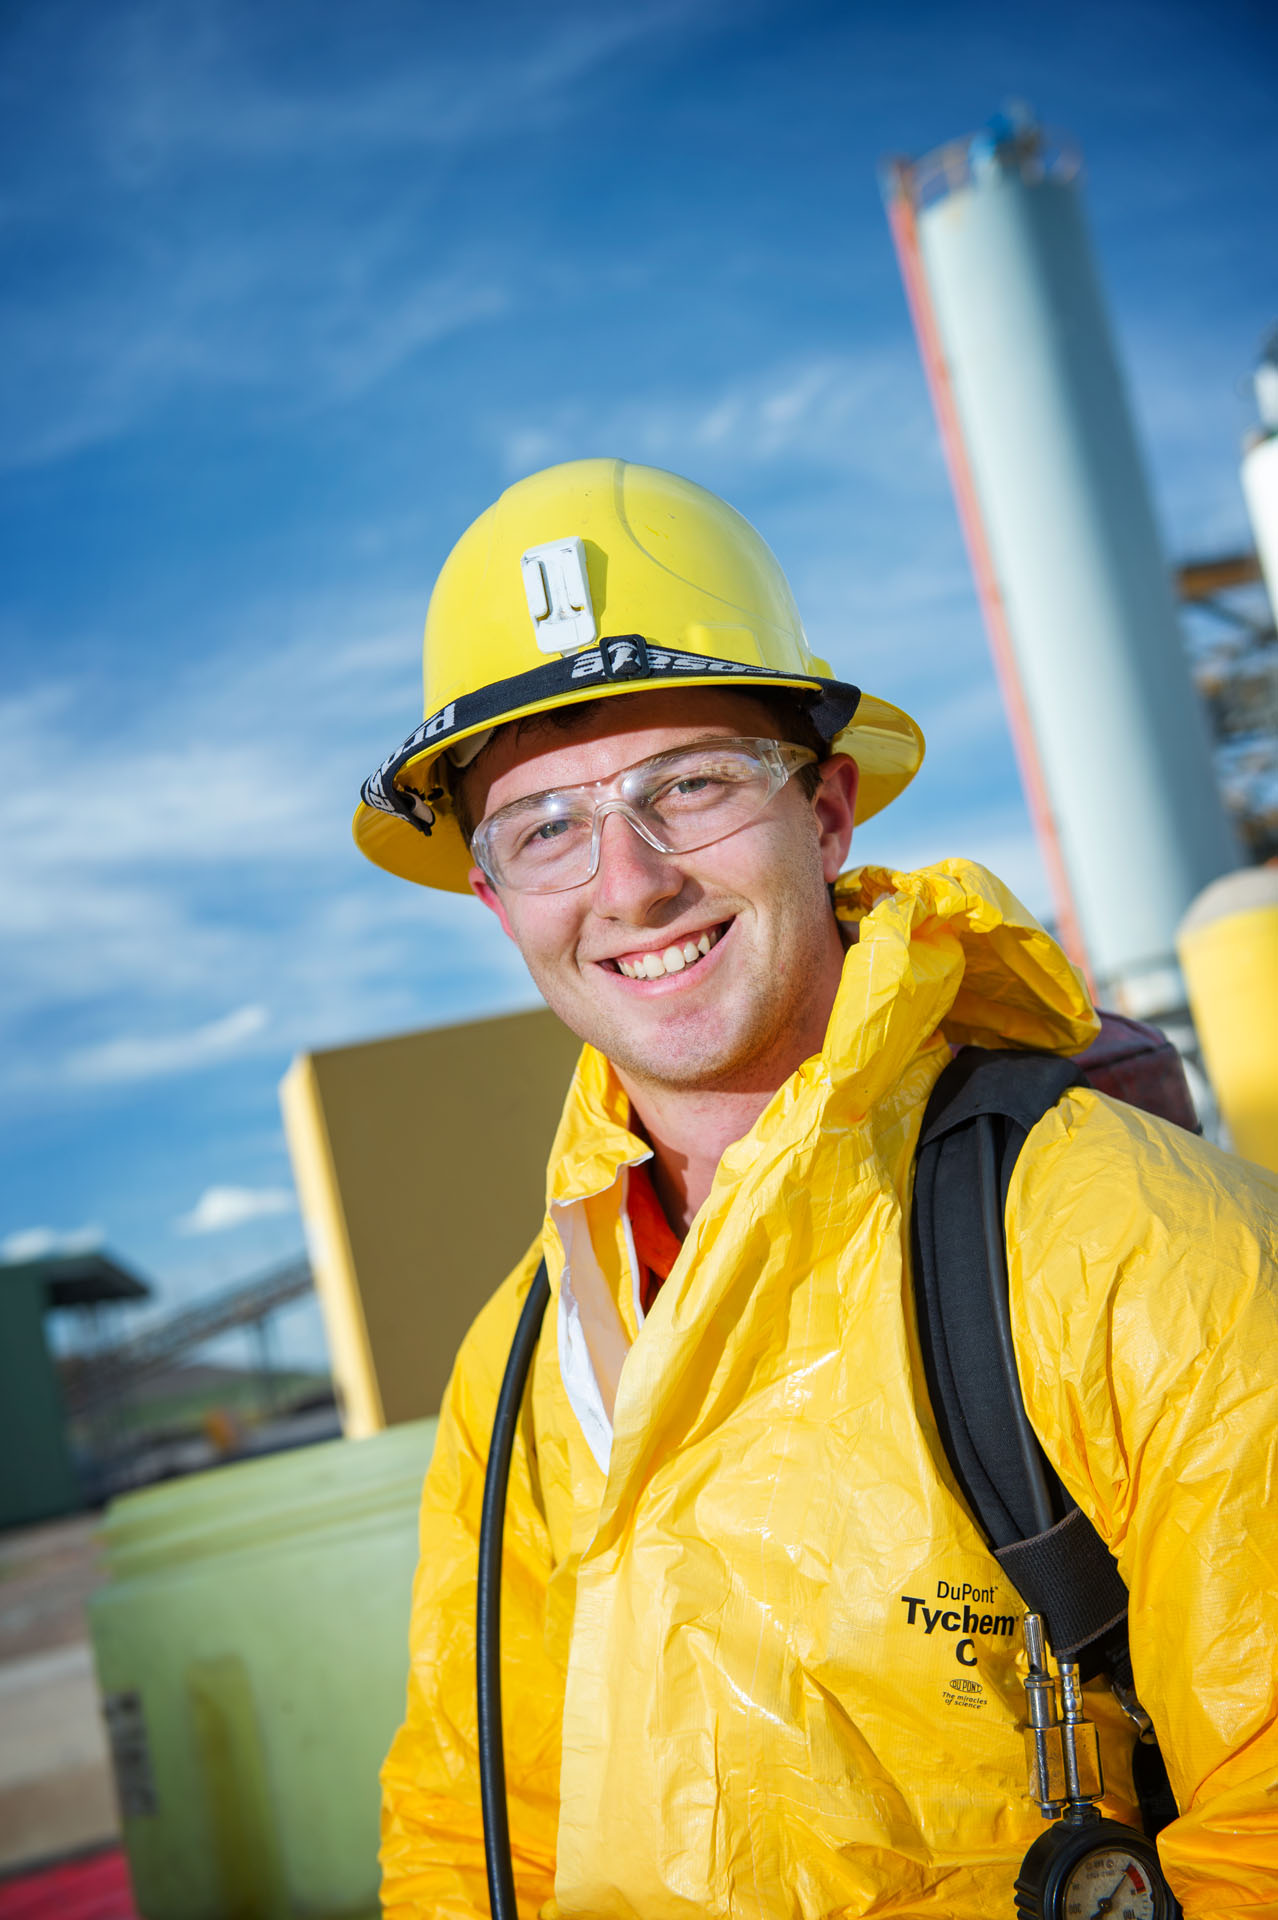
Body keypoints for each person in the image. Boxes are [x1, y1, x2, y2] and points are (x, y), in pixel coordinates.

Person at [356, 459, 1278, 1918]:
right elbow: (470, 1837)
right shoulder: (525, 1364)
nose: (631, 881)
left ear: (829, 811)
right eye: (546, 826)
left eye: (692, 786)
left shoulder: (1121, 1240)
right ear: (492, 896)